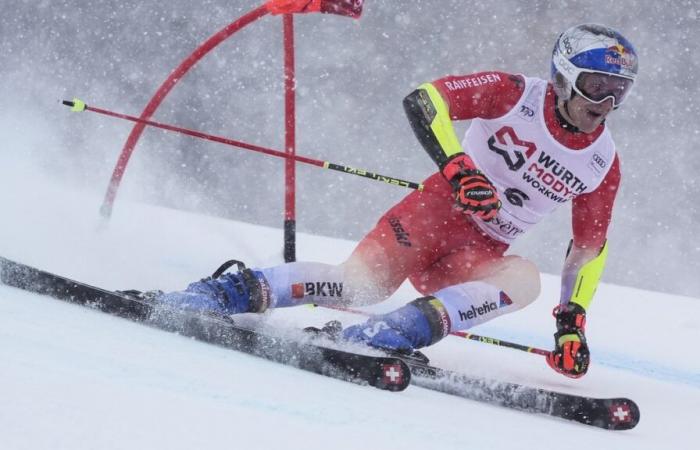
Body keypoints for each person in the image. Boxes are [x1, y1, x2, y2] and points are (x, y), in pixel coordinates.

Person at [153, 24, 638, 379]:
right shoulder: (512, 94)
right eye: (597, 86)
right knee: (358, 286)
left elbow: (588, 249)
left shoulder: (602, 163)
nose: (606, 103)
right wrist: (456, 165)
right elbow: (425, 99)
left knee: (524, 280)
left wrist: (571, 321)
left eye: (619, 91)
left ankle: (392, 334)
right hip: (434, 215)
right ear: (562, 77)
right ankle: (223, 294)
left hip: (477, 254)